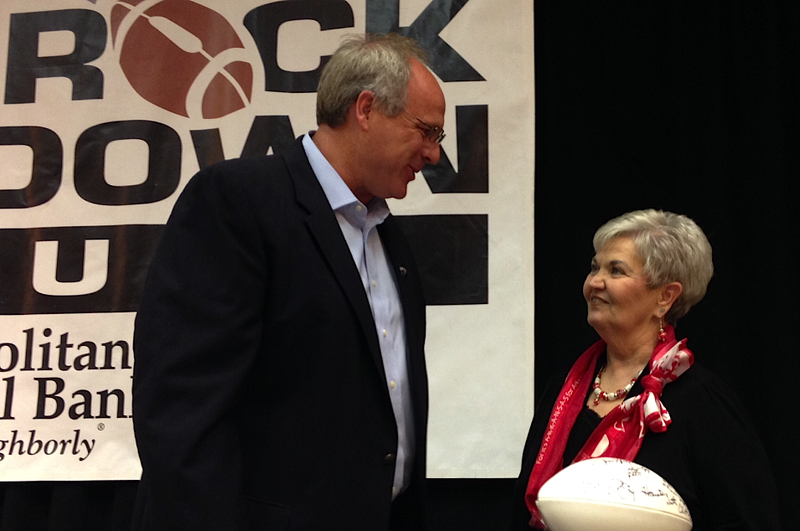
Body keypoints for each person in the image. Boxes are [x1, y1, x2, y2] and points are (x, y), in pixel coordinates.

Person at [131, 33, 445, 531]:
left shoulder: (390, 238)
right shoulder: (237, 201)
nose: (432, 155)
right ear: (366, 109)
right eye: (426, 131)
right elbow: (180, 412)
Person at [511, 210, 782, 530]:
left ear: (665, 297)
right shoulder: (562, 390)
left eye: (616, 271)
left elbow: (750, 520)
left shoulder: (701, 402)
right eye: (594, 267)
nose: (595, 282)